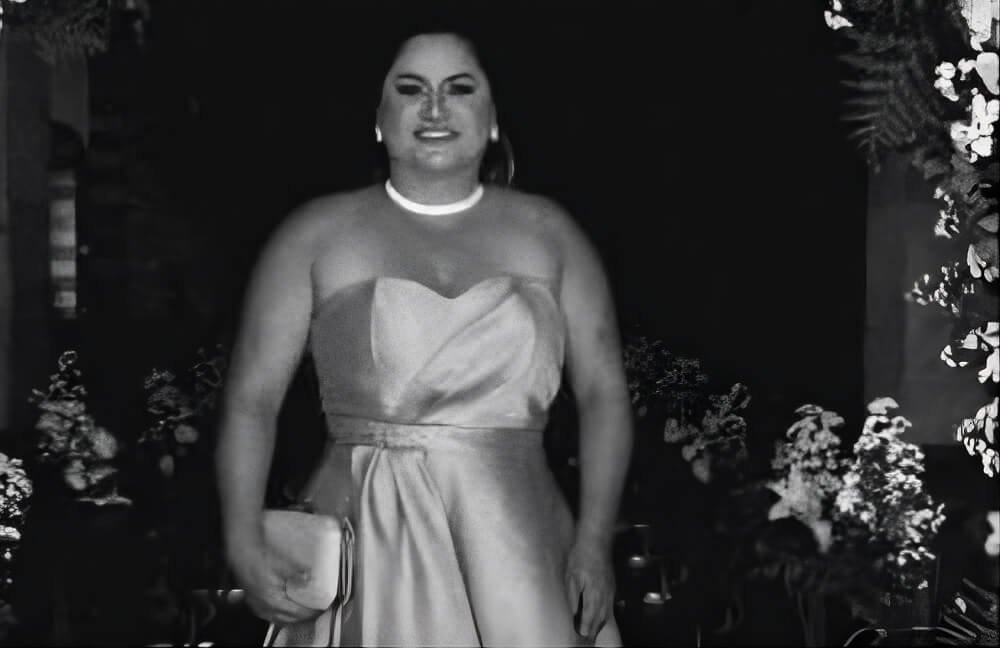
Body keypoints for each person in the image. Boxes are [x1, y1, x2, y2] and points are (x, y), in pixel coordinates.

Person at [215, 26, 633, 647]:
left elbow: (604, 395)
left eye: (460, 89)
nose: (435, 108)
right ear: (378, 117)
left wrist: (594, 541)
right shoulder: (314, 234)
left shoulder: (552, 233)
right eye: (411, 90)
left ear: (493, 117)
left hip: (519, 543)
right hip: (367, 541)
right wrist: (241, 535)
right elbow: (251, 399)